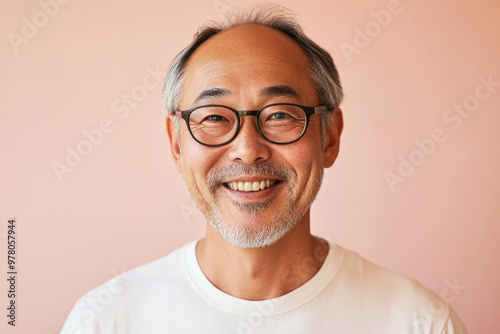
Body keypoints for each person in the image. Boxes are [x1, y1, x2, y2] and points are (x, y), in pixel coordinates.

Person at [61, 5, 467, 333]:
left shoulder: (419, 322)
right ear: (176, 143)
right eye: (215, 117)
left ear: (330, 137)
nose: (248, 150)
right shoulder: (104, 320)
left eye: (279, 115)